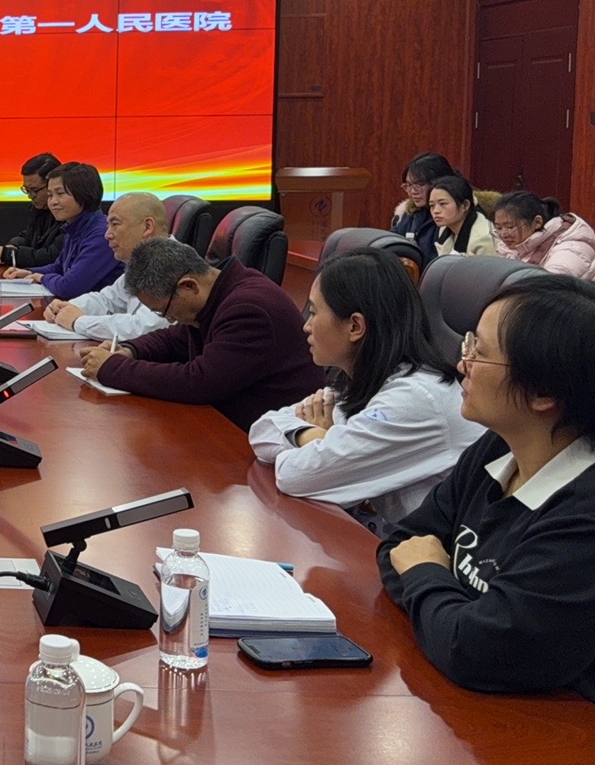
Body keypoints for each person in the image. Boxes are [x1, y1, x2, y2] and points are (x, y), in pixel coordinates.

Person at [378, 276, 595, 763]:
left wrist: (426, 575)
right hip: (525, 710)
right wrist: (448, 608)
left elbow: (475, 650)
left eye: (480, 351)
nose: (461, 362)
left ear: (543, 392)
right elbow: (400, 542)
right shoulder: (501, 448)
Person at [248, 249, 481, 534]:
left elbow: (294, 476)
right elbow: (262, 430)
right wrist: (316, 436)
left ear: (355, 326)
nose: (306, 325)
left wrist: (328, 441)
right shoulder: (368, 380)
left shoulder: (413, 399)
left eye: (314, 312)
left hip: (437, 552)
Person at [80, 237, 324, 429]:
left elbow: (199, 382)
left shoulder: (249, 309)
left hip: (266, 437)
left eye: (164, 310)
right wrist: (130, 350)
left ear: (188, 286)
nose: (168, 318)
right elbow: (175, 337)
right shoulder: (221, 292)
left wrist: (112, 368)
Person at [41, 191, 170, 342]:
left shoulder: (171, 268)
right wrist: (68, 307)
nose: (107, 234)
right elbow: (106, 300)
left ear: (147, 227)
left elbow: (143, 329)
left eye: (115, 224)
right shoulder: (143, 262)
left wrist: (77, 322)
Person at [1, 161, 120, 298]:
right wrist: (29, 272)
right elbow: (59, 267)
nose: (53, 202)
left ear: (84, 195)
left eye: (60, 194)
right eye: (50, 195)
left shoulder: (102, 234)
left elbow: (70, 287)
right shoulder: (73, 227)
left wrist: (42, 278)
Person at [0, 152, 63, 269]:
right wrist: (11, 247)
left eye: (34, 190)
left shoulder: (68, 214)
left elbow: (51, 257)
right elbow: (28, 237)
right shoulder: (40, 210)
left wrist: (5, 254)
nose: (30, 196)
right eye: (27, 190)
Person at [492, 190, 595, 279]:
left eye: (510, 227)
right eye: (499, 228)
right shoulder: (515, 247)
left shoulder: (571, 247)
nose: (503, 234)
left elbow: (550, 285)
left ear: (537, 222)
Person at [391, 152, 457, 265]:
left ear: (439, 182)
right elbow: (392, 241)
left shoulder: (454, 216)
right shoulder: (411, 213)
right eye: (408, 185)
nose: (413, 191)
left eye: (419, 184)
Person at [427, 175, 494, 258]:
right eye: (432, 205)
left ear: (465, 205)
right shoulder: (444, 228)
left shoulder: (484, 238)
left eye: (443, 203)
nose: (435, 211)